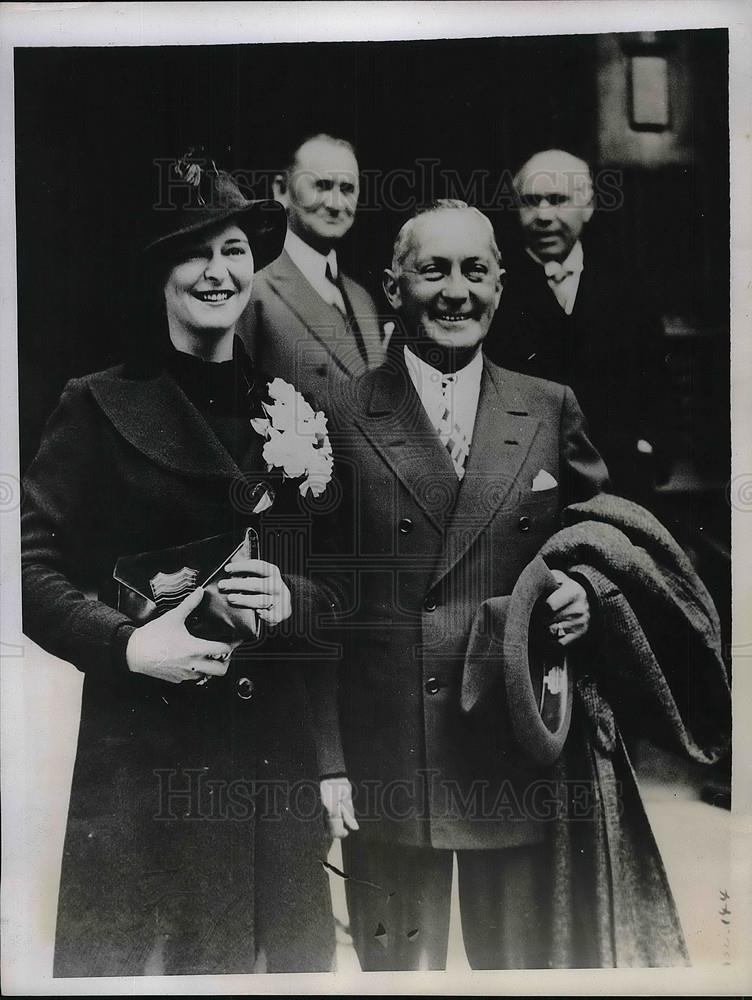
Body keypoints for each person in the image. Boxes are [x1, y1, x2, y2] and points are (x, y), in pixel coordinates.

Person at [330, 200, 729, 970]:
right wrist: (325, 759)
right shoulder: (340, 414)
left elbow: (598, 539)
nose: (455, 291)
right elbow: (318, 598)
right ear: (392, 284)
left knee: (522, 975)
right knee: (395, 978)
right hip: (388, 748)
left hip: (513, 741)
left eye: (475, 270)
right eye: (432, 269)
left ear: (501, 287)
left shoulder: (549, 407)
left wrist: (582, 591)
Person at [20, 153, 350, 977]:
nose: (218, 271)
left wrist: (290, 598)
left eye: (235, 249)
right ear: (158, 273)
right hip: (147, 768)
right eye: (193, 251)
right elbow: (24, 566)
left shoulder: (288, 410)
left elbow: (342, 585)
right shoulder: (97, 403)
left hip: (271, 763)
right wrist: (129, 646)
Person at [483, 149, 667, 499]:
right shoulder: (496, 287)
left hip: (619, 475)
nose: (543, 215)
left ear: (588, 206)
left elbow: (655, 378)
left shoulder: (627, 285)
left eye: (557, 200)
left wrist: (649, 449)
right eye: (530, 201)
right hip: (525, 480)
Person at [238, 133, 385, 411]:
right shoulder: (254, 287)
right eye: (322, 185)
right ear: (281, 190)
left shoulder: (362, 298)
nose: (335, 203)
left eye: (347, 189)